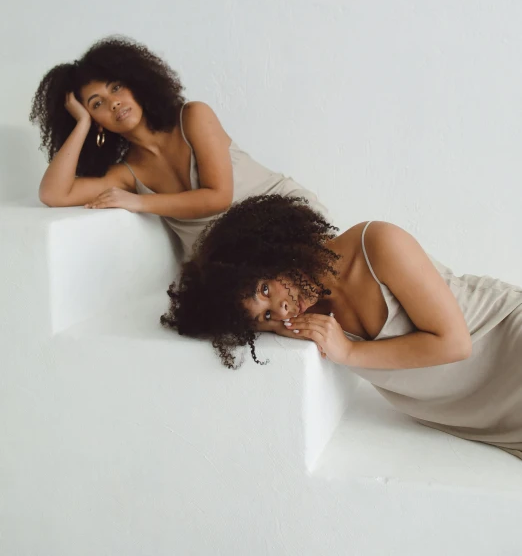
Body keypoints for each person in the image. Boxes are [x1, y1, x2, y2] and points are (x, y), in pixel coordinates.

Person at [162, 194, 522, 460]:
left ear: (269, 252)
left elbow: (455, 344)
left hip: (507, 341)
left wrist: (350, 351)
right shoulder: (304, 319)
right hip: (484, 414)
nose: (281, 308)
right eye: (264, 316)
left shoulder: (378, 243)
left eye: (265, 289)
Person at [30, 37, 327, 259]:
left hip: (286, 218)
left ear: (136, 84)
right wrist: (81, 124)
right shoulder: (126, 174)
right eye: (97, 103)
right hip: (236, 261)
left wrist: (139, 203)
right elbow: (54, 194)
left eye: (116, 87)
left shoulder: (194, 117)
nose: (114, 103)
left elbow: (218, 197)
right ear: (97, 122)